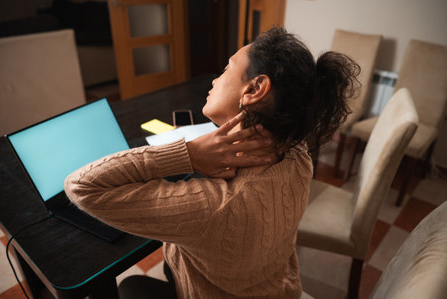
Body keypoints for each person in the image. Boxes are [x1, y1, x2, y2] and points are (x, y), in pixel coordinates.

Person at [64, 27, 360, 298]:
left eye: (227, 68)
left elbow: (81, 185)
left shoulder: (215, 206)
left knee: (130, 287)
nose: (216, 79)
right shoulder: (298, 156)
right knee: (171, 265)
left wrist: (188, 153)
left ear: (255, 89)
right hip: (276, 287)